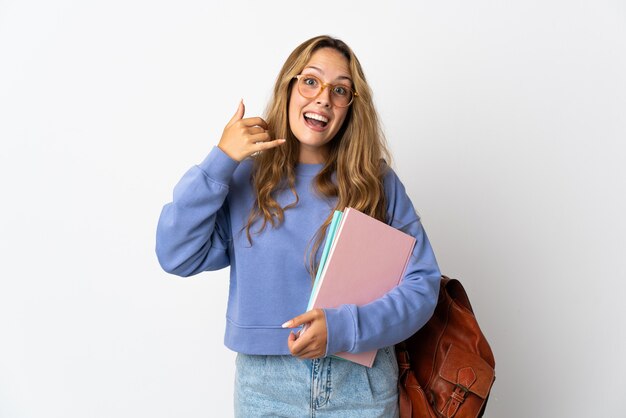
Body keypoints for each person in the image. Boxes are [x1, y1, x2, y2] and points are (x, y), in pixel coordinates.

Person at [156, 35, 440, 417]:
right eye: (310, 81)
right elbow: (175, 254)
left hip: (359, 386)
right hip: (265, 389)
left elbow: (423, 286)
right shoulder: (243, 177)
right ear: (288, 86)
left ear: (351, 107)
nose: (323, 97)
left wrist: (344, 327)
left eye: (340, 90)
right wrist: (220, 160)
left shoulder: (376, 181)